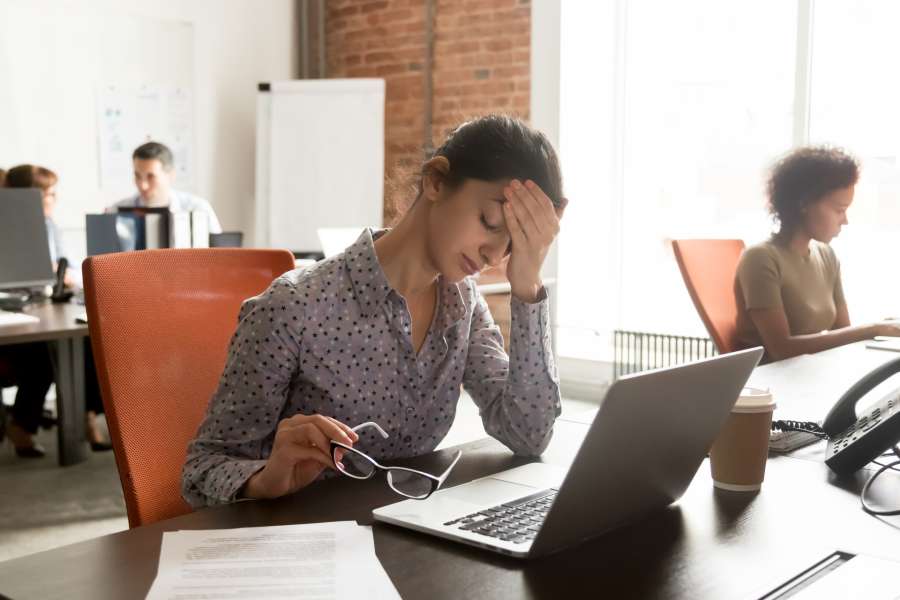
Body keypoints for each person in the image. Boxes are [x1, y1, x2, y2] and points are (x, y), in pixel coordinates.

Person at [182, 115, 567, 507]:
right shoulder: (293, 308)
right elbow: (203, 470)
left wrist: (527, 286)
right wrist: (265, 480)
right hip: (300, 545)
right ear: (435, 181)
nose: (493, 256)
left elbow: (528, 434)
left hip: (405, 540)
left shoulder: (462, 304)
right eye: (490, 222)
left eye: (511, 246)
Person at [734, 146, 900, 361]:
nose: (845, 220)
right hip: (772, 384)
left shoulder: (827, 255)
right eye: (839, 210)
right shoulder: (760, 258)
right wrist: (872, 328)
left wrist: (881, 328)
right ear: (804, 203)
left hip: (815, 374)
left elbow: (843, 332)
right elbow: (781, 349)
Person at [4, 164, 112, 452]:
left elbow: (70, 265)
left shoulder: (49, 225)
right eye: (48, 194)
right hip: (14, 314)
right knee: (41, 355)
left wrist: (64, 273)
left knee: (88, 342)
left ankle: (86, 417)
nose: (54, 199)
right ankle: (20, 425)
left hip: (45, 306)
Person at [108, 141, 222, 238]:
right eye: (138, 176)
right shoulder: (116, 212)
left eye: (151, 177)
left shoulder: (198, 209)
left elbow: (219, 256)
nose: (143, 185)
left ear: (171, 175)